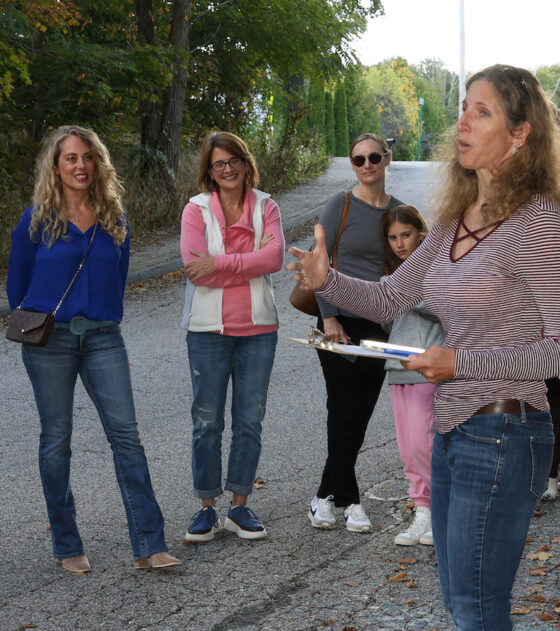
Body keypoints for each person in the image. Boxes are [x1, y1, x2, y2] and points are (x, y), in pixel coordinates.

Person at [289, 65, 560, 631]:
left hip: (508, 429)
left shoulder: (540, 225)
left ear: (519, 136)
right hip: (459, 431)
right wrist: (329, 285)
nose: (462, 123)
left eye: (480, 112)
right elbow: (389, 301)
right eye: (463, 109)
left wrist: (463, 363)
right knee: (470, 612)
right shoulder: (458, 224)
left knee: (477, 619)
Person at [7, 125, 180, 574]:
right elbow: (18, 286)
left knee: (127, 437)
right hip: (51, 340)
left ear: (97, 163)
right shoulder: (35, 220)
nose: (80, 165)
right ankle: (66, 544)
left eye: (87, 157)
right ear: (56, 165)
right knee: (56, 441)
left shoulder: (114, 217)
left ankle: (150, 544)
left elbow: (117, 279)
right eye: (70, 158)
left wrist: (99, 312)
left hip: (103, 335)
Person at [179, 131, 284, 543]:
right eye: (218, 164)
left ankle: (239, 507)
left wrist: (219, 262)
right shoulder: (196, 210)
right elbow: (192, 266)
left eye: (233, 161)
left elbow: (273, 258)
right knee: (206, 421)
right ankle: (206, 508)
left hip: (259, 330)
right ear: (210, 170)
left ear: (245, 162)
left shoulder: (266, 205)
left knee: (250, 419)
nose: (227, 169)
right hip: (207, 330)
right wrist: (249, 262)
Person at [307, 133, 404, 534]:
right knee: (342, 408)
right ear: (352, 165)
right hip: (339, 322)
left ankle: (322, 497)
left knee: (359, 417)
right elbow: (319, 260)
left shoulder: (401, 213)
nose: (367, 164)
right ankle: (350, 500)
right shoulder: (340, 205)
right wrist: (329, 317)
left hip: (379, 326)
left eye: (374, 157)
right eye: (358, 159)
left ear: (386, 159)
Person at [379, 205, 445, 547]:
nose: (400, 243)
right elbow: (390, 321)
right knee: (408, 450)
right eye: (392, 237)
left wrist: (399, 292)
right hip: (396, 368)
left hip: (426, 369)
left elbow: (444, 309)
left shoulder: (437, 267)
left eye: (406, 234)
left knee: (425, 444)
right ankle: (421, 511)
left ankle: (438, 511)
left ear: (421, 232)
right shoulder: (395, 274)